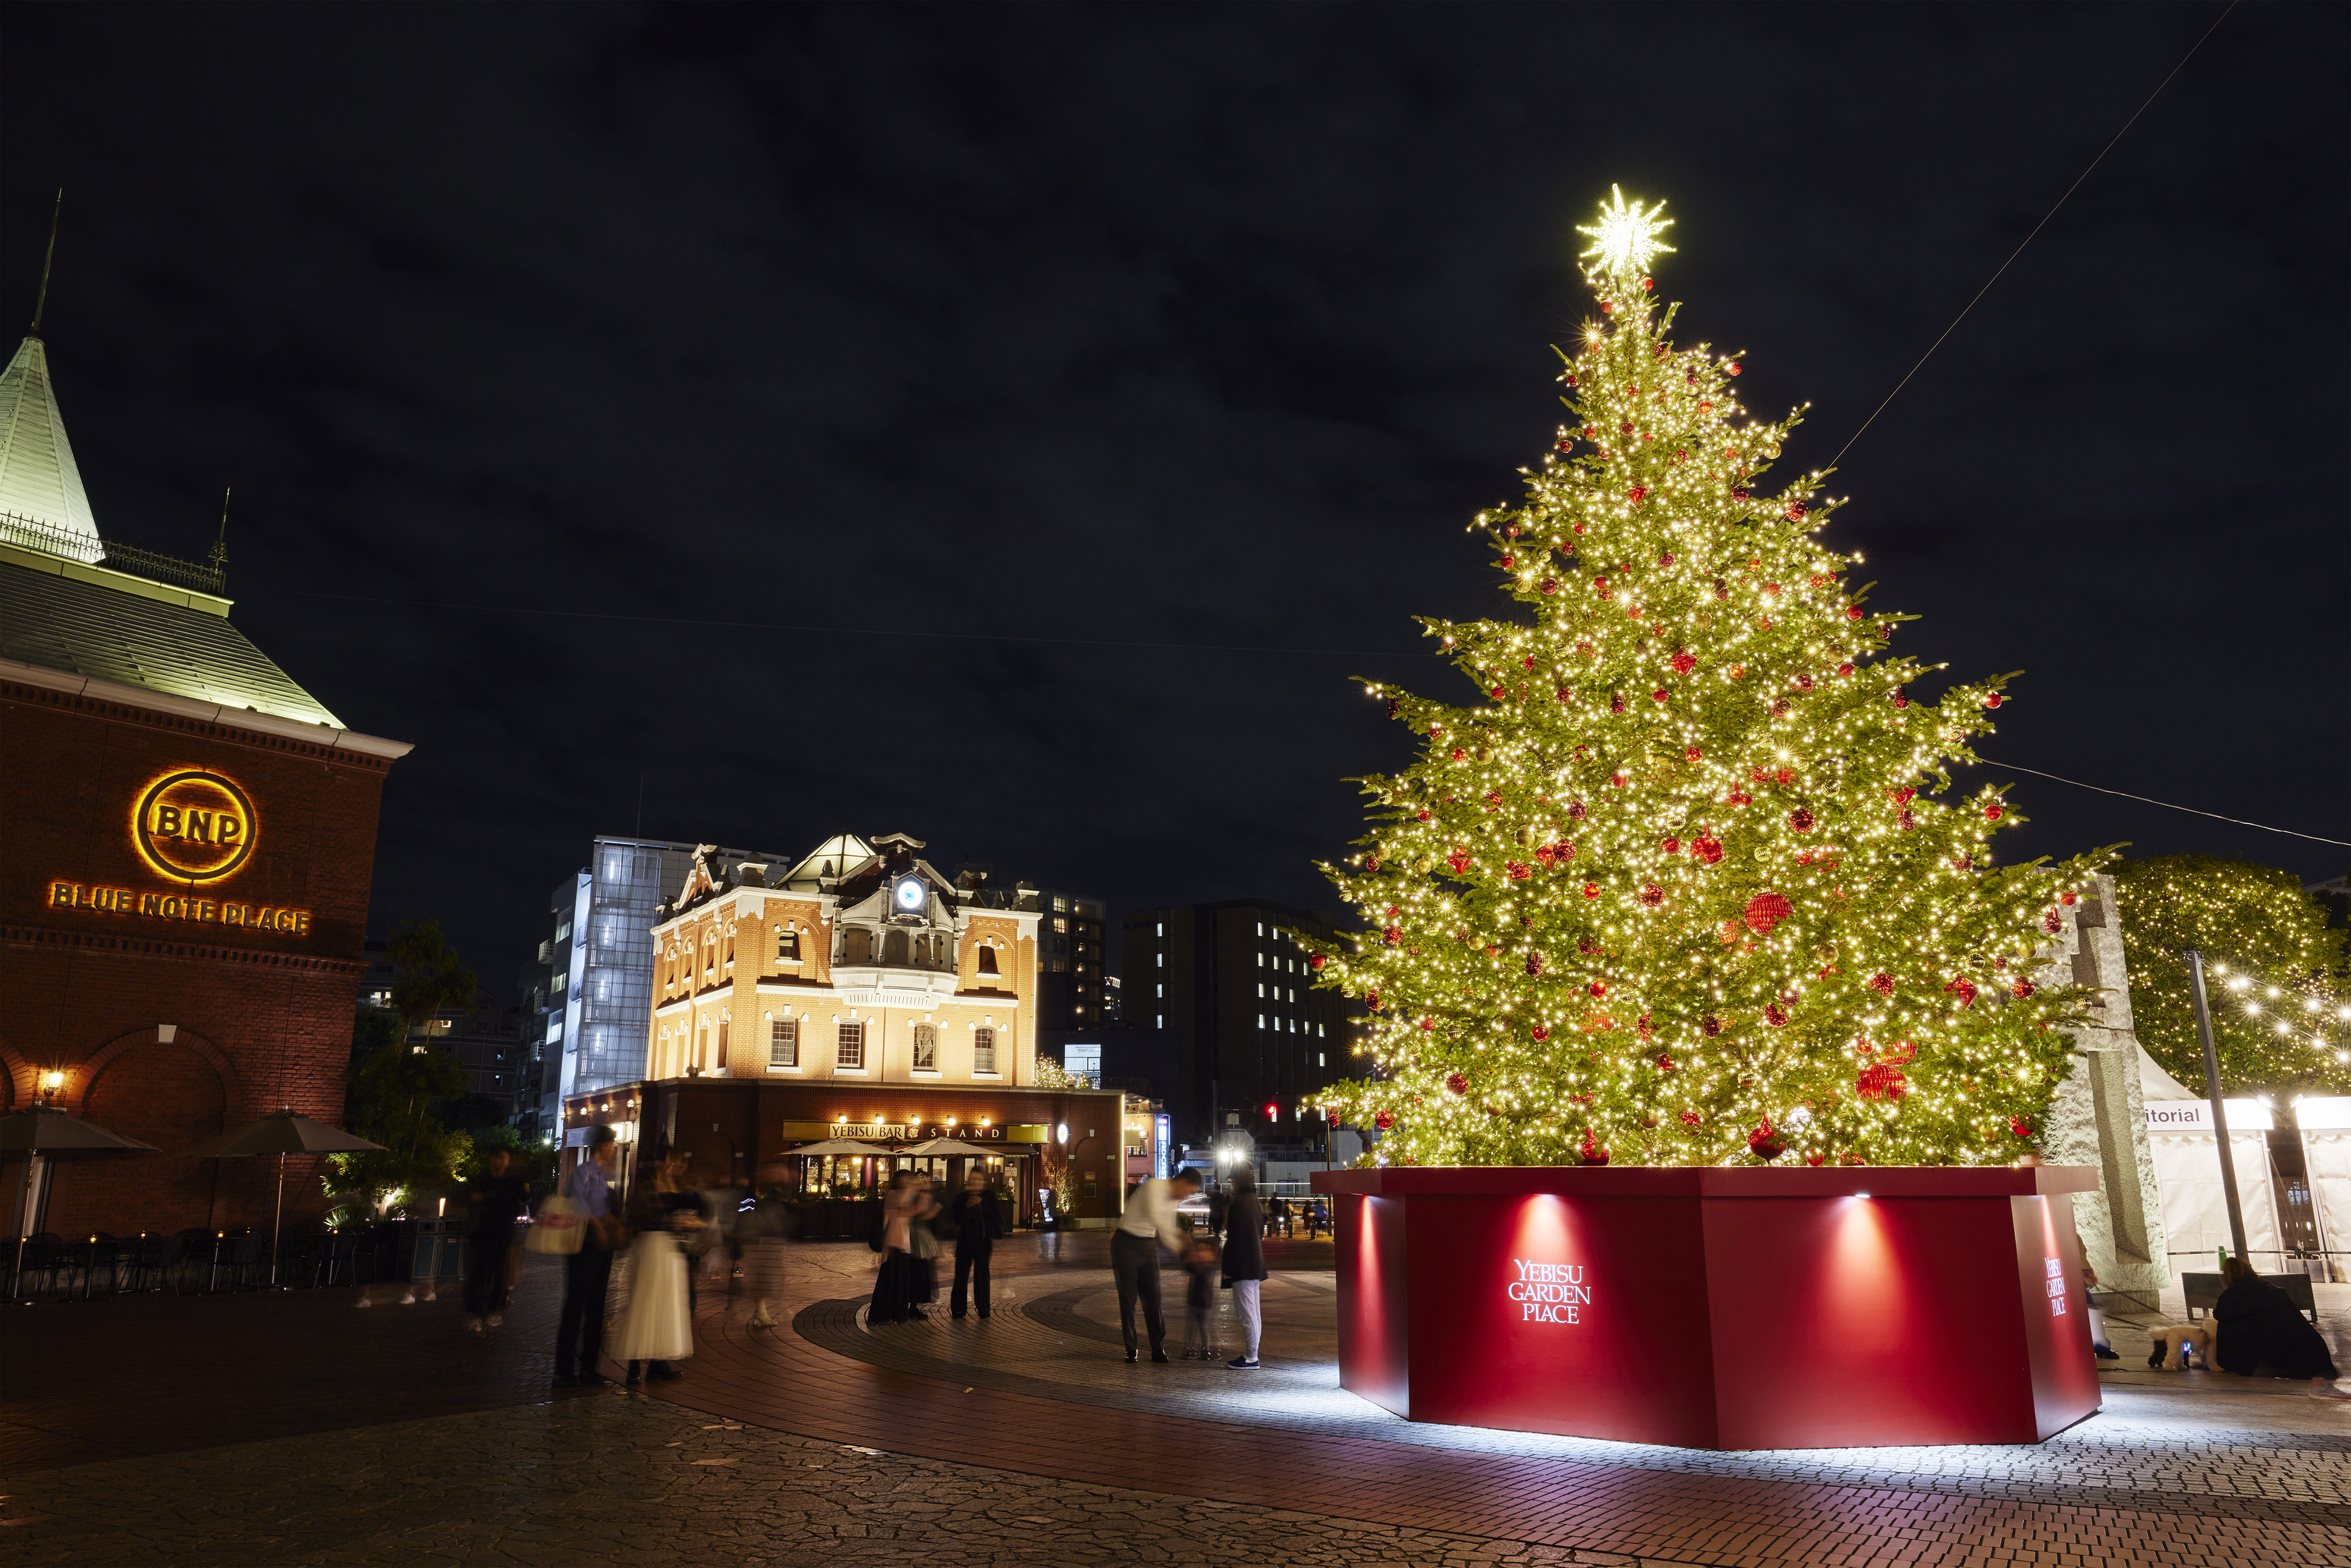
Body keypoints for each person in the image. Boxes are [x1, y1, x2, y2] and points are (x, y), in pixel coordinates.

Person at [2213, 1256, 2349, 1399]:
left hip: (2273, 1347)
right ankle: (2321, 1385)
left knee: (2224, 1326)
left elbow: (2219, 1314)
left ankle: (2249, 1366)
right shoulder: (2268, 1286)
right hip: (2309, 1344)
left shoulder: (2234, 1292)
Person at [554, 1126, 623, 1387]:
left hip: (601, 1248)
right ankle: (564, 1370)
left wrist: (614, 1225)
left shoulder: (599, 1175)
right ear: (604, 1145)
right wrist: (598, 1226)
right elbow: (577, 1205)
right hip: (584, 1247)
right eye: (612, 1144)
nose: (614, 1149)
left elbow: (600, 1209)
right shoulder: (583, 1172)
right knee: (575, 1307)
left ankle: (588, 1369)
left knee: (596, 1309)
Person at [1111, 1166, 1202, 1363]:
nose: (1187, 1195)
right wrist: (1182, 1241)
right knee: (1128, 1299)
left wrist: (1184, 1254)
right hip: (1125, 1242)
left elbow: (1164, 1233)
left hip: (1148, 1245)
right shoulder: (1153, 1187)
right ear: (1182, 1182)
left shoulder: (1172, 1201)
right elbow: (1158, 1220)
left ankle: (1158, 1348)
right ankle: (1131, 1348)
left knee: (1154, 1297)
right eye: (1189, 1190)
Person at [462, 1145, 527, 1332]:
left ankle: (493, 1312)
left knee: (499, 1274)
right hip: (481, 1234)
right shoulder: (482, 1179)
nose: (504, 1163)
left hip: (502, 1235)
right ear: (493, 1159)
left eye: (506, 1159)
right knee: (478, 1274)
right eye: (501, 1158)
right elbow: (469, 1199)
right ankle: (474, 1313)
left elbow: (527, 1197)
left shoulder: (512, 1181)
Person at [868, 1170, 936, 1324]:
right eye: (905, 1179)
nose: (907, 1181)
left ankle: (899, 1314)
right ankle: (880, 1315)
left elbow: (917, 1210)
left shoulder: (907, 1194)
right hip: (892, 1244)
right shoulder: (893, 1194)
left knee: (901, 1281)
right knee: (889, 1280)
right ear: (898, 1180)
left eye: (909, 1179)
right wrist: (918, 1190)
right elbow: (907, 1209)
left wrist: (923, 1193)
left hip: (903, 1244)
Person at [1221, 1170, 1268, 1370]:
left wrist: (1229, 1267)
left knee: (1247, 1313)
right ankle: (1251, 1355)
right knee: (1253, 1313)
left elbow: (1235, 1238)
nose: (1231, 1183)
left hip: (1243, 1266)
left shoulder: (1239, 1202)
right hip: (1254, 1264)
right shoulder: (1254, 1200)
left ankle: (1251, 1358)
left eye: (1232, 1180)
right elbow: (1259, 1230)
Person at [950, 1168, 1005, 1320]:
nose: (975, 1182)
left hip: (983, 1242)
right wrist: (967, 1206)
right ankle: (958, 1309)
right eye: (973, 1179)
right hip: (965, 1242)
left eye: (979, 1179)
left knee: (982, 1277)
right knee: (961, 1276)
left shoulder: (989, 1197)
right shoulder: (962, 1198)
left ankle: (983, 1309)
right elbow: (956, 1218)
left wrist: (981, 1204)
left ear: (984, 1182)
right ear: (968, 1180)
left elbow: (994, 1216)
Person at [1182, 1237, 1220, 1359]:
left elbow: (1201, 1276)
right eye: (1198, 1251)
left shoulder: (1209, 1269)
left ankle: (1206, 1349)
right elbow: (1189, 1268)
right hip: (1193, 1302)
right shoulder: (1195, 1267)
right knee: (1191, 1328)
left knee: (1205, 1328)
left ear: (1212, 1255)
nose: (1200, 1254)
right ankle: (1191, 1349)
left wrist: (1193, 1264)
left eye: (1204, 1251)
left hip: (1205, 1304)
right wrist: (1188, 1262)